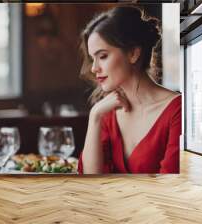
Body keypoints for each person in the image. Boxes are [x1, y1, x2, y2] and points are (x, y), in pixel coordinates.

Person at [78, 5, 181, 174]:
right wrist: (95, 115)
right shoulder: (107, 113)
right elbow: (90, 181)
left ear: (133, 53)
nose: (94, 68)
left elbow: (171, 188)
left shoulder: (176, 111)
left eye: (103, 56)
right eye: (92, 58)